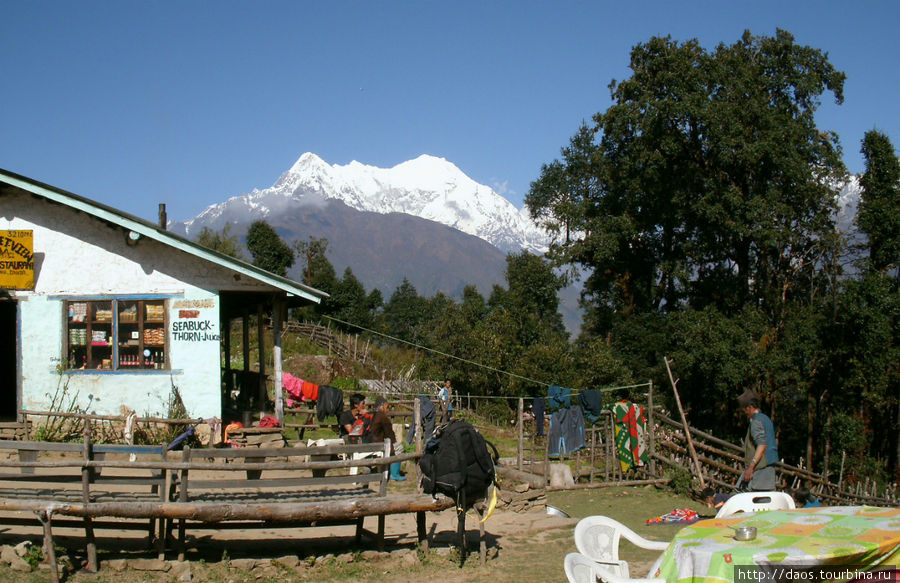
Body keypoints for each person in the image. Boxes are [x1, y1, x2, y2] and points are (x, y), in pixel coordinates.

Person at [738, 390, 779, 491]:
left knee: (754, 495)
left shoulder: (756, 422)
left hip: (761, 467)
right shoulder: (766, 419)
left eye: (745, 410)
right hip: (768, 464)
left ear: (750, 407)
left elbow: (762, 445)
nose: (746, 413)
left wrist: (751, 467)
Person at [371, 396, 405, 481]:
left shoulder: (372, 414)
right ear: (381, 407)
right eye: (387, 408)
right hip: (378, 443)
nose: (388, 410)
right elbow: (389, 432)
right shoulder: (382, 417)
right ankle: (395, 474)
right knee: (399, 449)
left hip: (371, 441)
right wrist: (395, 442)